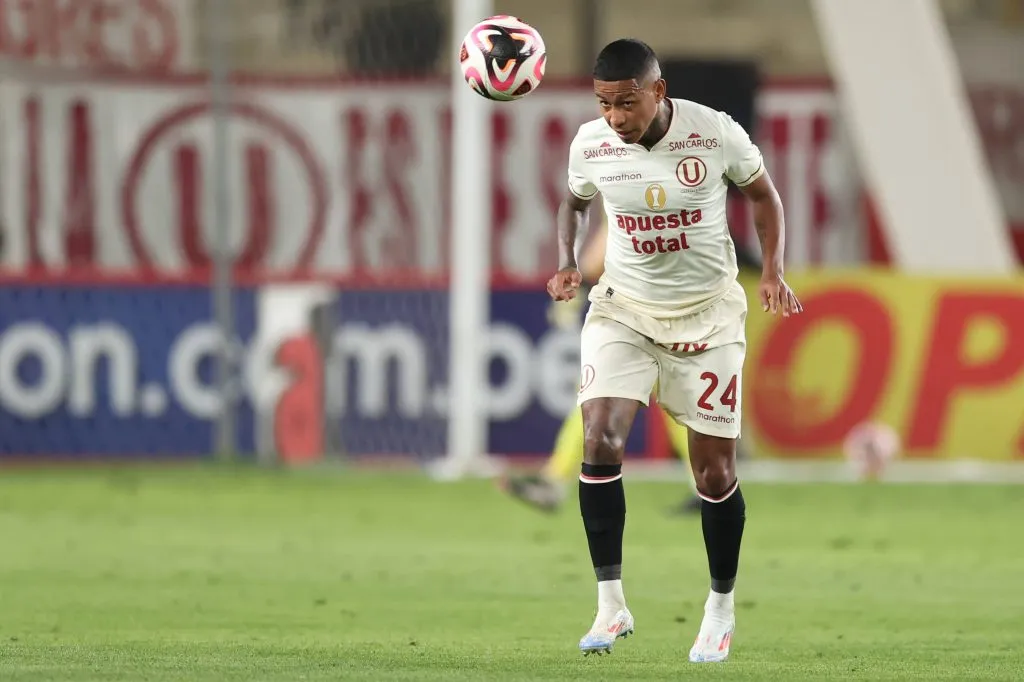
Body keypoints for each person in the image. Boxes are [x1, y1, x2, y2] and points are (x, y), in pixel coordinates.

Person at [545, 39, 802, 662]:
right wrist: (567, 264)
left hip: (708, 320)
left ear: (657, 92)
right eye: (604, 104)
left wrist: (771, 271)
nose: (615, 118)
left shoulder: (714, 133)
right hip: (623, 310)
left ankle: (719, 610)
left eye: (626, 103)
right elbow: (574, 202)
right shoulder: (592, 144)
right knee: (600, 437)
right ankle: (611, 605)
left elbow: (764, 197)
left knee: (713, 472)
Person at [501, 220, 703, 515]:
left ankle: (553, 480)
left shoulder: (622, 177)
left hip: (646, 299)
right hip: (671, 295)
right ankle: (708, 482)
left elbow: (612, 234)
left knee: (602, 389)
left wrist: (580, 282)